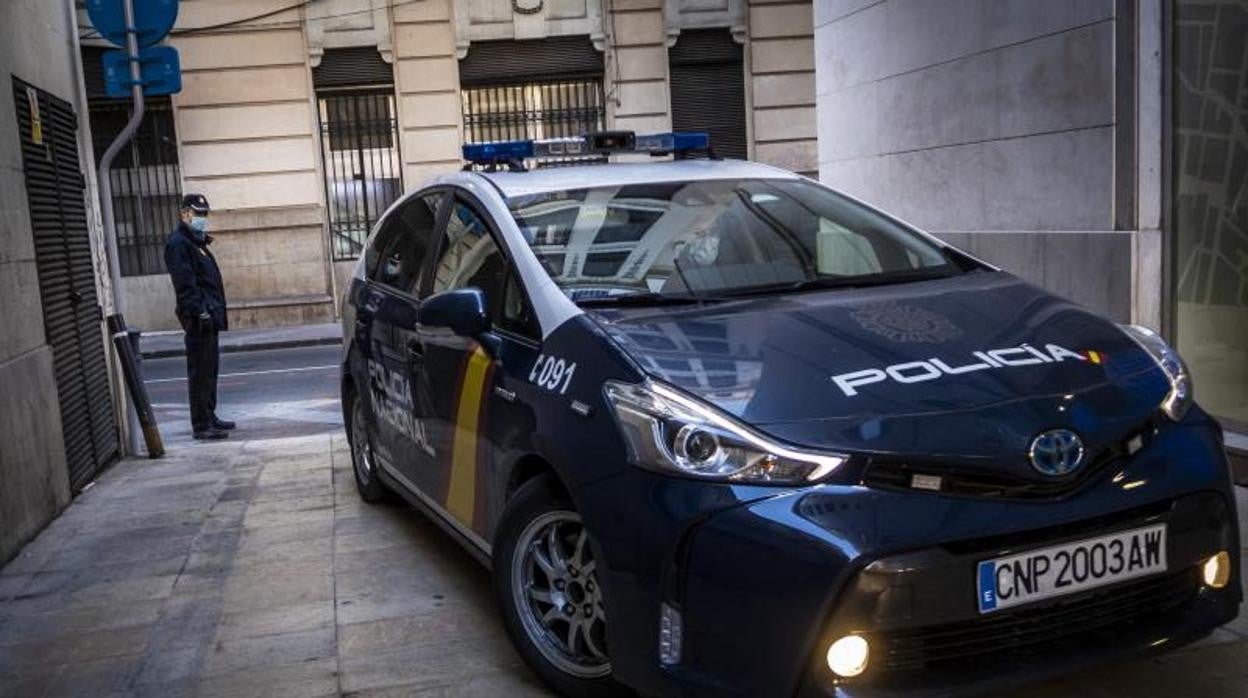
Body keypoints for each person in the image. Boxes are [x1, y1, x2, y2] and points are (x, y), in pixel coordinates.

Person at [164, 193, 235, 440]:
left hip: (210, 315)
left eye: (205, 214)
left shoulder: (196, 241)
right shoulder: (179, 243)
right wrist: (199, 311)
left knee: (210, 369)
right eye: (198, 213)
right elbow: (185, 283)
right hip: (198, 318)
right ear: (184, 213)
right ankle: (201, 424)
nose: (202, 218)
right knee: (200, 372)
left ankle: (210, 415)